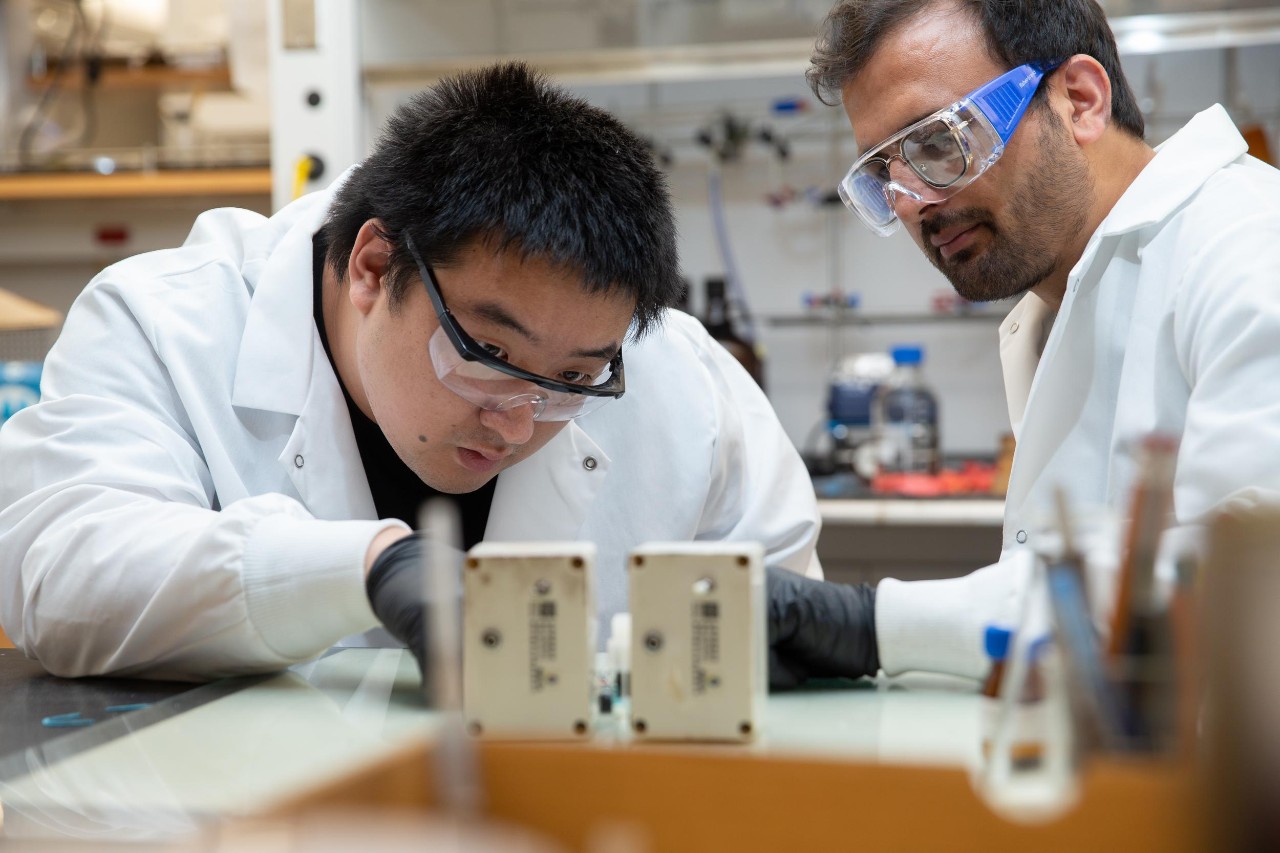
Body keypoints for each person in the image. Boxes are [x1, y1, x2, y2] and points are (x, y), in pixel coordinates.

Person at [0, 63, 827, 681]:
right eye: (488, 356)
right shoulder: (166, 323)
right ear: (372, 264)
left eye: (571, 380)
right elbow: (59, 578)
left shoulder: (680, 379)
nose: (515, 420)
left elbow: (787, 637)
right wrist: (366, 569)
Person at [788, 0, 1280, 680]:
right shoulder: (1057, 303)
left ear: (1079, 100)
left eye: (938, 141)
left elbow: (1238, 589)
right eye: (885, 172)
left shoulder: (1249, 248)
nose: (913, 202)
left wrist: (872, 624)